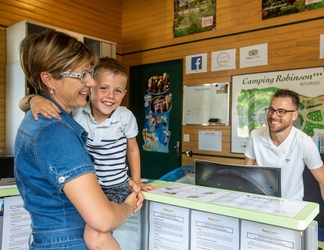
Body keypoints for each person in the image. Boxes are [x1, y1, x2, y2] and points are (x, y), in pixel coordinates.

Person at [15, 29, 143, 250]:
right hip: (70, 243)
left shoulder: (42, 119)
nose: (91, 82)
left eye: (90, 73)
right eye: (82, 75)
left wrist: (32, 98)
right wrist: (129, 204)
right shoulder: (55, 131)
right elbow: (102, 219)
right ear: (48, 79)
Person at [20, 57, 156, 204]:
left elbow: (133, 149)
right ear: (90, 88)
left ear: (124, 93)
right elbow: (22, 104)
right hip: (88, 186)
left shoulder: (125, 116)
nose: (110, 96)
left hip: (117, 186)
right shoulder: (77, 111)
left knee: (99, 225)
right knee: (93, 223)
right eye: (104, 88)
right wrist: (34, 99)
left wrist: (136, 180)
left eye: (117, 91)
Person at [244, 88, 324, 201]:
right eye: (271, 110)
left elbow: (322, 181)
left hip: (291, 208)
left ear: (294, 115)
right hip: (262, 204)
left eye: (281, 111)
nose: (274, 116)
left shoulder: (304, 142)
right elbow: (246, 173)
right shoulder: (255, 136)